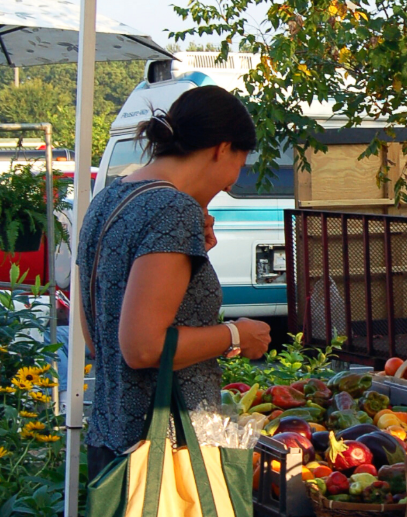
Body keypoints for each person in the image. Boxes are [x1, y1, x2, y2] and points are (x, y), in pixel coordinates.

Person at [77, 85, 272, 480]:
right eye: (239, 163)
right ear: (222, 148)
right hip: (167, 453)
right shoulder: (173, 208)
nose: (232, 182)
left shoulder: (110, 198)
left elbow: (98, 335)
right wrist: (237, 336)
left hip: (113, 441)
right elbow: (142, 347)